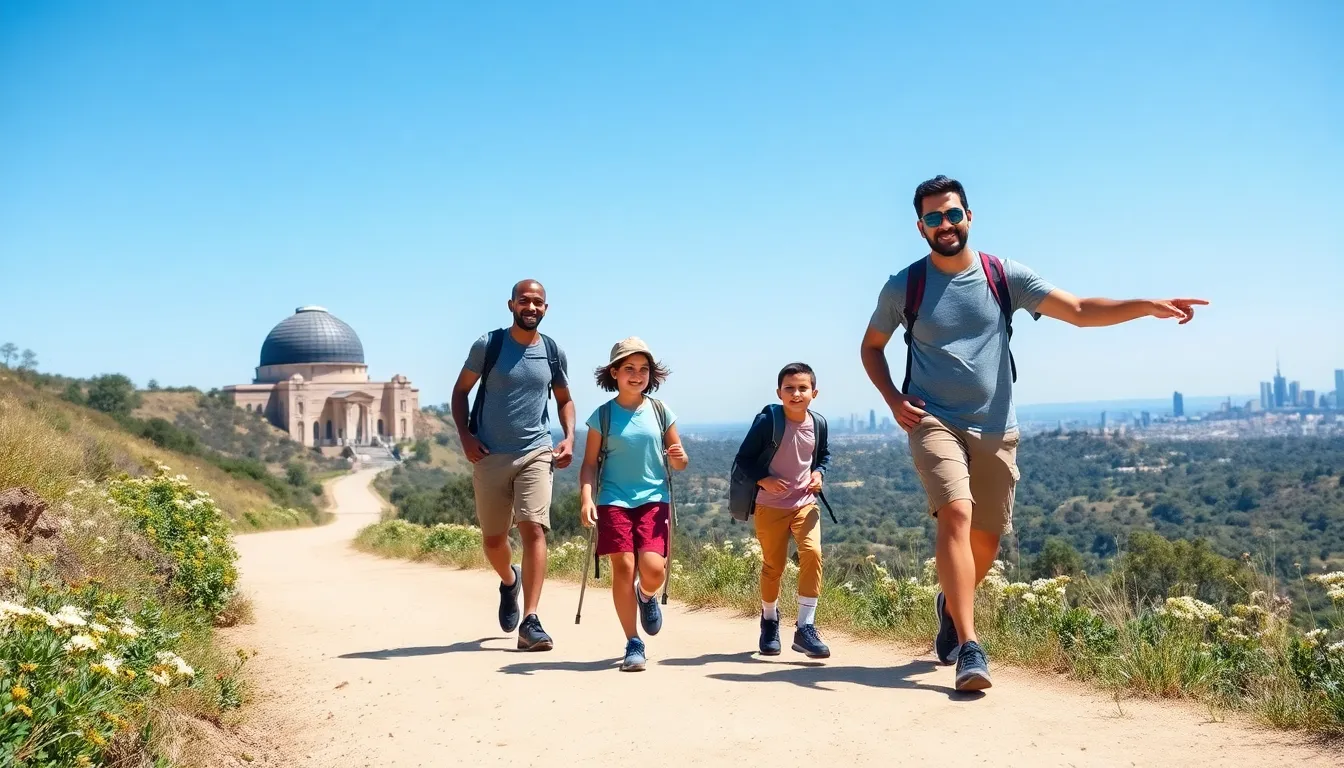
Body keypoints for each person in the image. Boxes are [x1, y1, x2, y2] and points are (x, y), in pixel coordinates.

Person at [860, 175, 1207, 691]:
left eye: (952, 214)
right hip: (932, 418)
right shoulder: (903, 287)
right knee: (956, 512)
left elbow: (1080, 311)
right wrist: (893, 398)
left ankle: (951, 606)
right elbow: (871, 347)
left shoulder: (1004, 275)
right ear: (920, 227)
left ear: (969, 217)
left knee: (987, 537)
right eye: (933, 218)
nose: (945, 224)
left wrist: (1144, 305)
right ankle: (971, 649)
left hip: (997, 425)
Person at [451, 279, 576, 651]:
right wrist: (465, 436)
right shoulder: (488, 345)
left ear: (546, 308)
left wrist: (568, 436)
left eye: (538, 302)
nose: (531, 307)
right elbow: (460, 392)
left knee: (533, 529)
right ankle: (509, 581)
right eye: (525, 301)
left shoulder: (552, 352)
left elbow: (565, 399)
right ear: (511, 305)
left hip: (536, 451)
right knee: (493, 540)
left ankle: (531, 621)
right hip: (489, 454)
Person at [579, 337, 688, 671]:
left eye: (643, 369)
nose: (637, 374)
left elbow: (679, 460)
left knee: (653, 571)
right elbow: (589, 464)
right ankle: (633, 641)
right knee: (624, 567)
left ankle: (646, 595)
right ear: (614, 372)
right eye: (629, 368)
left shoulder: (660, 411)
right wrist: (587, 498)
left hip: (654, 500)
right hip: (613, 500)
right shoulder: (603, 416)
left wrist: (680, 457)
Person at [733, 362, 833, 660]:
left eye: (802, 388)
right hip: (770, 505)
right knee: (773, 566)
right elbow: (744, 458)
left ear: (814, 393)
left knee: (812, 553)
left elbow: (823, 455)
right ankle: (769, 620)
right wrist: (764, 479)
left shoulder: (818, 423)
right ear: (779, 392)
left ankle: (805, 627)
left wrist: (820, 473)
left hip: (805, 503)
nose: (796, 393)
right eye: (789, 388)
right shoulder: (768, 423)